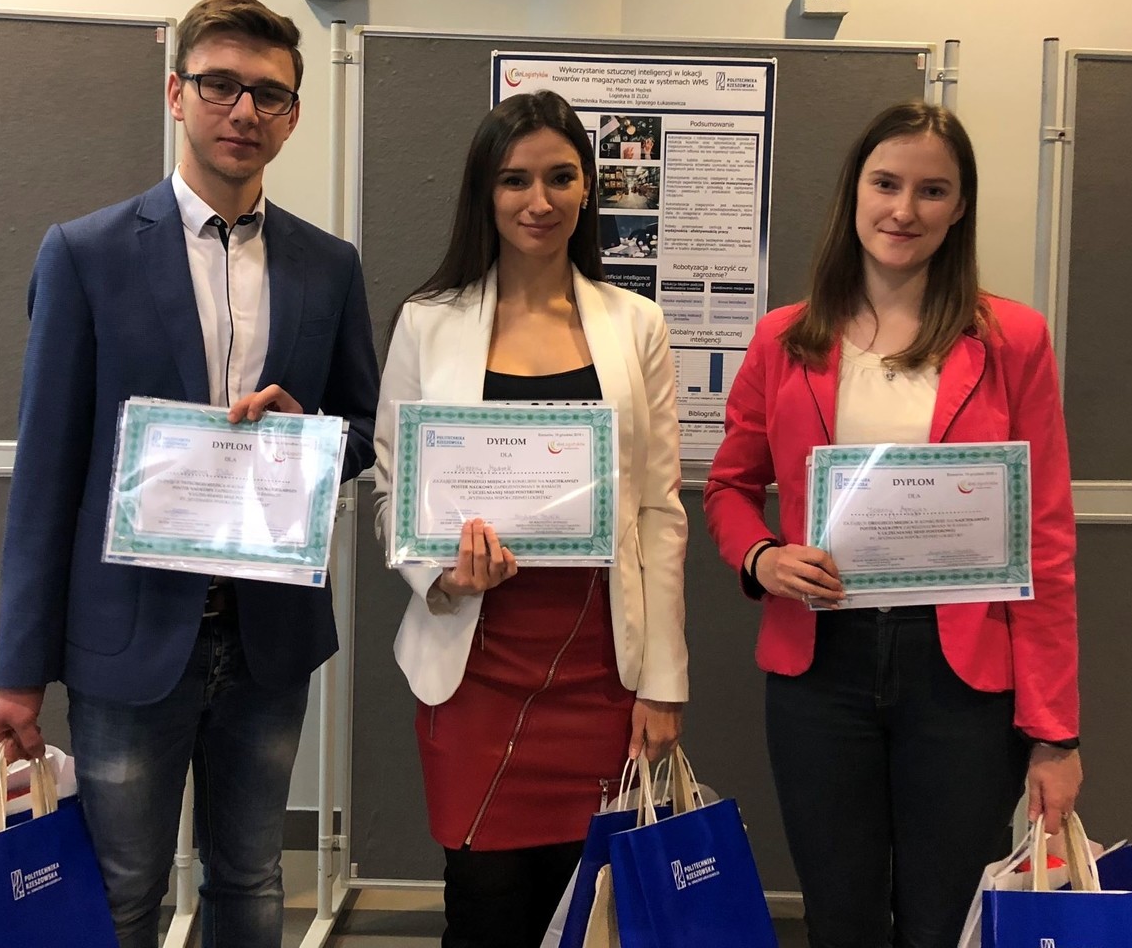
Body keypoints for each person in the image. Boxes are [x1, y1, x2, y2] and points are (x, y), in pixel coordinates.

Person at [0, 0, 380, 947]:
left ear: (292, 116)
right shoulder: (85, 254)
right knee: (123, 892)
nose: (243, 111)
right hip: (126, 637)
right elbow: (45, 476)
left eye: (269, 95)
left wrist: (311, 434)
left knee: (251, 882)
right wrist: (18, 674)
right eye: (219, 85)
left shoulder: (328, 266)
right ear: (175, 94)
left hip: (267, 638)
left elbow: (363, 430)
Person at [703, 102, 1081, 948]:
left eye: (931, 190)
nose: (903, 210)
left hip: (961, 676)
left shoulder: (1012, 339)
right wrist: (760, 557)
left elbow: (1046, 539)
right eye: (886, 184)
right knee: (838, 915)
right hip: (819, 667)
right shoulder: (783, 339)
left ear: (959, 206)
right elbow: (729, 488)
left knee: (942, 919)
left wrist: (1055, 733)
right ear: (855, 192)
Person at [373, 90, 689, 948]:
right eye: (514, 180)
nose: (538, 201)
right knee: (484, 907)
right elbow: (392, 492)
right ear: (485, 191)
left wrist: (664, 680)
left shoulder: (636, 324)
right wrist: (441, 571)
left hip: (602, 667)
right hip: (473, 666)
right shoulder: (428, 322)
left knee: (590, 913)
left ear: (588, 189)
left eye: (560, 177)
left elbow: (659, 511)